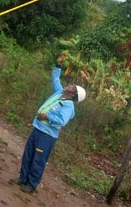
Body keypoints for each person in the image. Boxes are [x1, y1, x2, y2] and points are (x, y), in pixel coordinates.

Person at [13, 54, 86, 194]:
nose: (69, 85)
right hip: (37, 129)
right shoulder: (59, 93)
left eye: (72, 86)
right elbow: (55, 78)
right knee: (28, 154)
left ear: (73, 94)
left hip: (47, 136)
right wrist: (59, 65)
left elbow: (62, 121)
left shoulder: (69, 106)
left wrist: (47, 116)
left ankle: (31, 185)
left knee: (38, 160)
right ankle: (22, 178)